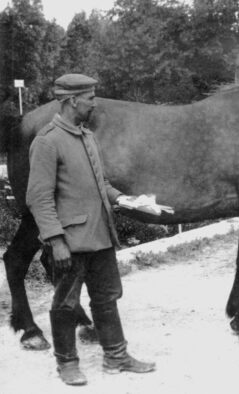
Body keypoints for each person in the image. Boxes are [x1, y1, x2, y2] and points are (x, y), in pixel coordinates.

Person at [26, 74, 155, 386]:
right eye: (90, 99)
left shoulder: (87, 137)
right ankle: (67, 363)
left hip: (100, 235)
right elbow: (38, 198)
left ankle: (116, 356)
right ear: (73, 101)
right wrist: (56, 241)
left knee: (107, 297)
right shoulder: (47, 141)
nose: (94, 104)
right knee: (66, 302)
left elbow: (103, 184)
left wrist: (124, 199)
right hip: (70, 241)